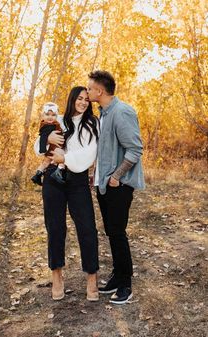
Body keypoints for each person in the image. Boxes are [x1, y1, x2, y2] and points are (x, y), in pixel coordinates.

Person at [34, 86, 99, 301]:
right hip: (53, 178)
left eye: (86, 100)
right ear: (72, 99)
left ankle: (91, 278)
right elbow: (38, 147)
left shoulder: (92, 123)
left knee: (87, 227)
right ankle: (57, 276)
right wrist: (49, 138)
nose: (82, 102)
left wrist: (66, 159)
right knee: (55, 227)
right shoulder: (57, 118)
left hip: (77, 179)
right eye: (79, 98)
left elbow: (90, 152)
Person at [87, 70, 145, 305]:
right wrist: (96, 175)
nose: (87, 91)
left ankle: (125, 285)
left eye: (90, 88)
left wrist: (116, 176)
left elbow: (135, 149)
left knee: (118, 233)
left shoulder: (122, 112)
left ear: (100, 91)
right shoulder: (104, 114)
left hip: (118, 186)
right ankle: (117, 276)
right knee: (112, 232)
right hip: (104, 185)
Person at [31, 102, 65, 186]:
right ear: (43, 115)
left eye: (53, 115)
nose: (50, 117)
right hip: (55, 148)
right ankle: (59, 171)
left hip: (51, 148)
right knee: (62, 157)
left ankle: (38, 174)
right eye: (47, 114)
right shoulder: (48, 126)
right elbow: (43, 138)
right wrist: (42, 149)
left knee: (45, 163)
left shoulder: (50, 124)